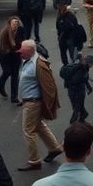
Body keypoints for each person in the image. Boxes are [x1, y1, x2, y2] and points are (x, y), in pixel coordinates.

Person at [17, 40, 62, 171]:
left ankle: (34, 161)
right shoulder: (28, 60)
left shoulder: (39, 64)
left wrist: (49, 104)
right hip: (29, 100)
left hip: (33, 102)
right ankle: (54, 148)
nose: (20, 54)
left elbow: (49, 86)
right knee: (39, 126)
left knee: (28, 131)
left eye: (22, 51)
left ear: (31, 51)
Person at [60, 54, 93, 123]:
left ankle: (79, 118)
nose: (92, 66)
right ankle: (75, 120)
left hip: (71, 89)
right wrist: (87, 86)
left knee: (77, 105)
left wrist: (88, 86)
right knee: (77, 105)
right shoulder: (81, 69)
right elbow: (78, 80)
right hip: (77, 90)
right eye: (92, 64)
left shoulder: (79, 66)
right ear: (88, 63)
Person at [0, 16, 23, 103]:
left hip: (16, 57)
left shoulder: (20, 31)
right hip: (5, 57)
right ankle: (1, 85)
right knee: (7, 72)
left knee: (15, 76)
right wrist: (14, 48)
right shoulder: (4, 33)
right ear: (9, 24)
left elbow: (23, 41)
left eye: (17, 23)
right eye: (13, 23)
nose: (15, 25)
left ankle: (14, 97)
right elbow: (3, 48)